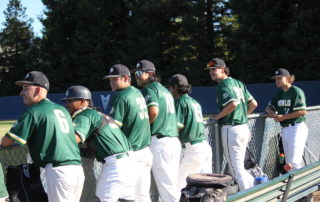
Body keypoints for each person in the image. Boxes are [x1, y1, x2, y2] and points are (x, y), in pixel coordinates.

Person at [1, 71, 84, 202]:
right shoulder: (62, 109)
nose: (21, 93)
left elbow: (6, 141)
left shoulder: (34, 111)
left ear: (38, 90)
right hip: (76, 169)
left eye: (25, 88)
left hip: (58, 171)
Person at [61, 85, 136, 202]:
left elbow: (73, 139)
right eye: (66, 101)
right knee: (125, 199)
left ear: (83, 102)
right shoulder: (97, 114)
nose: (67, 104)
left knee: (102, 198)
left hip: (115, 164)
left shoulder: (85, 114)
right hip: (129, 160)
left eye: (71, 100)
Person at [103, 64, 153, 202]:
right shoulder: (136, 91)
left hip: (131, 153)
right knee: (142, 196)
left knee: (126, 197)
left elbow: (113, 127)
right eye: (110, 79)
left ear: (125, 78)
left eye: (114, 79)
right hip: (145, 150)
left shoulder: (120, 95)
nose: (111, 82)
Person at [206, 58, 258, 191]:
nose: (211, 72)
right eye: (210, 70)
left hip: (232, 129)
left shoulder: (223, 85)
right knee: (240, 167)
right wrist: (242, 116)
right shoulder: (238, 83)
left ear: (223, 69)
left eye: (214, 69)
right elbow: (253, 104)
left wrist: (217, 117)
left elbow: (233, 104)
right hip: (243, 128)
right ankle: (255, 190)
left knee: (236, 170)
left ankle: (249, 197)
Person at [134, 60, 181, 202]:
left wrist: (143, 127)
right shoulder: (164, 90)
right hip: (172, 141)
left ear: (150, 74)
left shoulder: (149, 89)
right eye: (135, 73)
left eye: (139, 73)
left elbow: (153, 112)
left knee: (167, 189)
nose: (136, 76)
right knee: (171, 186)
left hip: (161, 142)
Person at [168, 74, 213, 191]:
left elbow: (176, 128)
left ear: (175, 87)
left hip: (193, 150)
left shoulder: (180, 102)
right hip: (204, 146)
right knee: (205, 188)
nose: (169, 90)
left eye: (170, 87)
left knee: (179, 187)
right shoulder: (195, 102)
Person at [265, 68, 308, 171]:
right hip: (285, 129)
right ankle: (294, 186)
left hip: (296, 128)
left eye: (279, 78)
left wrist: (283, 117)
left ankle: (302, 185)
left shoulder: (296, 91)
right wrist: (272, 113)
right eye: (275, 79)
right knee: (289, 164)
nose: (277, 81)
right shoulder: (279, 94)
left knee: (294, 163)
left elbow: (302, 111)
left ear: (288, 78)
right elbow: (268, 107)